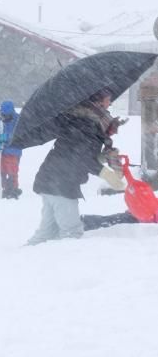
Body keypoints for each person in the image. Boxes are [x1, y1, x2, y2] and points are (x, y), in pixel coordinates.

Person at [27, 88, 126, 245]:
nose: (110, 103)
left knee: (47, 234)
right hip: (61, 183)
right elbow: (83, 158)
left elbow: (81, 153)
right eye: (108, 99)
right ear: (98, 102)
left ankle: (23, 258)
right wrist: (107, 174)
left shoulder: (83, 120)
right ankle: (63, 266)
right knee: (72, 233)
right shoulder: (88, 124)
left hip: (52, 180)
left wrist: (101, 157)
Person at [0, 100, 22, 198]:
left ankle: (12, 191)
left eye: (6, 115)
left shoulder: (18, 120)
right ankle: (6, 188)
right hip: (2, 152)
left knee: (12, 173)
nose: (4, 117)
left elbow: (19, 136)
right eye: (2, 115)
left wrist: (6, 138)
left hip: (14, 152)